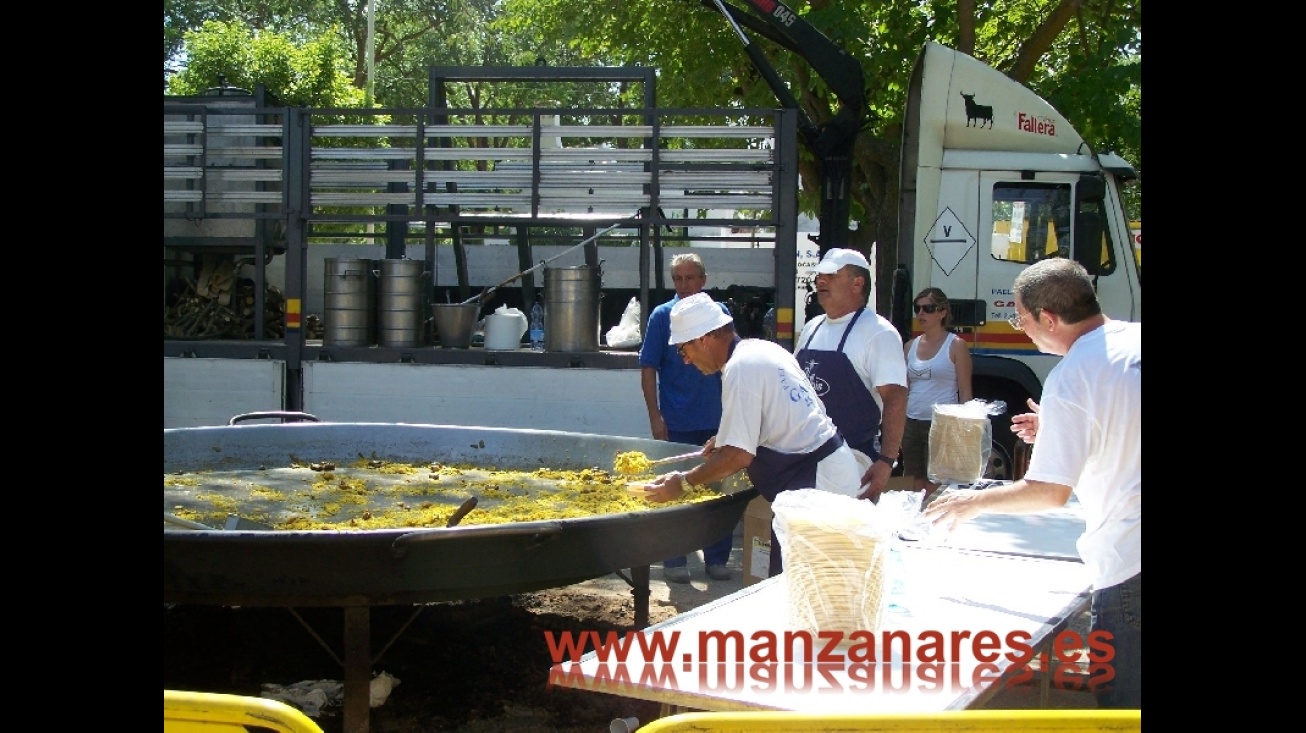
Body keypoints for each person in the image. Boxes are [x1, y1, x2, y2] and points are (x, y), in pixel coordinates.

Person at [923, 259, 1140, 709]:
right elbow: (1121, 423)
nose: (1020, 329)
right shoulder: (1132, 342)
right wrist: (1062, 429)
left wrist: (969, 503)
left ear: (1049, 318)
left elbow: (1048, 492)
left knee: (1123, 705)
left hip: (1130, 565)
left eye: (1019, 318)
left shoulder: (1073, 374)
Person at [640, 292, 863, 575]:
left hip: (820, 485)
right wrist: (726, 436)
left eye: (684, 350)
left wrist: (683, 483)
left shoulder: (741, 368)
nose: (685, 360)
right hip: (827, 475)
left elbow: (738, 456)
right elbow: (783, 417)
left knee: (810, 589)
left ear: (703, 339)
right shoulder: (762, 350)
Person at [638, 253, 734, 583]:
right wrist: (655, 415)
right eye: (678, 279)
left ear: (703, 280)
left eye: (690, 278)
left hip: (716, 420)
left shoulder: (718, 316)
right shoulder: (662, 316)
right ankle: (675, 560)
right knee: (674, 490)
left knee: (717, 491)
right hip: (677, 420)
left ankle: (717, 558)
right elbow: (648, 368)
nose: (684, 285)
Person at [794, 248, 907, 501]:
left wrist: (887, 461)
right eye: (819, 275)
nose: (821, 280)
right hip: (806, 459)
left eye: (832, 275)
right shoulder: (811, 329)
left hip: (854, 460)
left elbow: (895, 399)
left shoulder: (879, 333)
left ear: (858, 283)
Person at [902, 287, 973, 494]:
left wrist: (965, 430)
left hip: (941, 424)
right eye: (918, 308)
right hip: (911, 422)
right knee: (912, 480)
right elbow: (905, 390)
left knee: (936, 482)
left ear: (942, 312)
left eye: (928, 308)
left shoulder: (956, 345)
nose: (921, 314)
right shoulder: (909, 346)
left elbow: (965, 392)